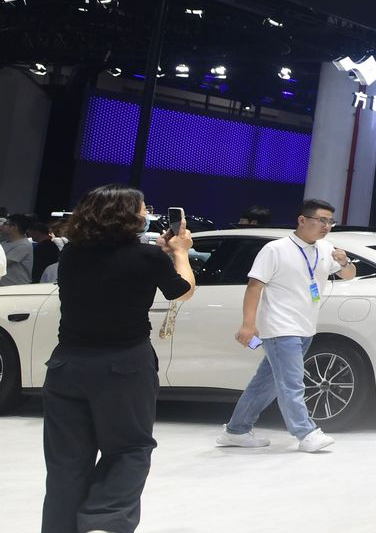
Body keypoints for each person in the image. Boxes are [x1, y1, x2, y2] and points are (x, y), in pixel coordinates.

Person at [39, 184, 195, 533]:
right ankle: (103, 522)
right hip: (125, 366)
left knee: (66, 464)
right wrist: (180, 252)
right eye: (143, 208)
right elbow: (181, 290)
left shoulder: (72, 254)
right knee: (129, 450)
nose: (147, 213)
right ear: (128, 216)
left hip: (67, 366)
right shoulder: (147, 257)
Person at [217, 197, 356, 454]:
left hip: (306, 326)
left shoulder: (326, 248)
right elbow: (254, 286)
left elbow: (349, 274)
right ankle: (306, 432)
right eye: (321, 220)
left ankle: (236, 430)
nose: (326, 226)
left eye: (330, 222)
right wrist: (248, 324)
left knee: (266, 383)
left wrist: (345, 262)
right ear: (302, 220)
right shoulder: (276, 249)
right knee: (292, 383)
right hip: (280, 327)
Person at [0, 213, 33, 286]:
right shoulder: (3, 243)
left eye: (5, 224)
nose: (1, 226)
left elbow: (3, 264)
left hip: (16, 287)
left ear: (14, 227)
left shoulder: (24, 245)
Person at [27, 218, 60, 283]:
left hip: (42, 278)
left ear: (36, 232)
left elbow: (37, 266)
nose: (30, 236)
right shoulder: (52, 245)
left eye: (31, 233)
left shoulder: (42, 247)